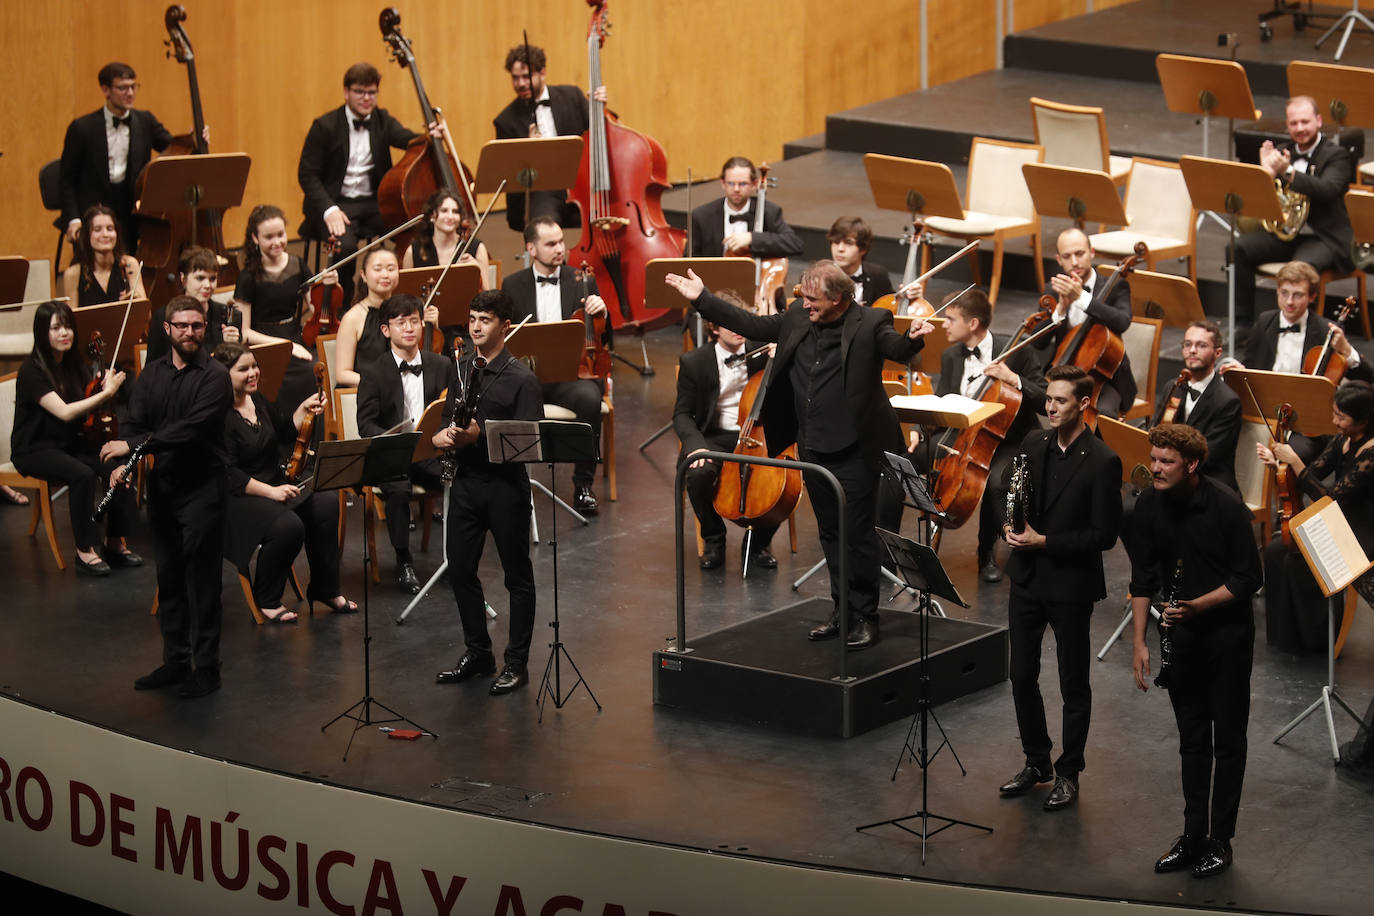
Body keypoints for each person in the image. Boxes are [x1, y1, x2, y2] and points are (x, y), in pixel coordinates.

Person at [665, 260, 933, 650]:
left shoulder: (872, 321)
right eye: (803, 297)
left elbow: (896, 346)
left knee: (857, 535)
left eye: (813, 299)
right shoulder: (796, 315)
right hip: (813, 446)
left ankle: (865, 616)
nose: (804, 304)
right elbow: (751, 324)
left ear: (839, 299)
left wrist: (915, 339)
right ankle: (842, 611)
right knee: (829, 532)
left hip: (856, 449)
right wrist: (703, 299)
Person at [1129, 423, 1262, 878]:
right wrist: (1139, 644)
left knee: (1227, 742)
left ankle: (1220, 840)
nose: (1157, 468)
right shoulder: (1149, 503)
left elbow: (1249, 578)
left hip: (1226, 637)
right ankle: (1192, 835)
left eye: (1167, 462)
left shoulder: (1225, 506)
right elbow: (1142, 577)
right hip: (1181, 638)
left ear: (1192, 465)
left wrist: (1196, 606)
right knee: (1191, 742)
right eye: (1155, 458)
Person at [998, 365, 1122, 812]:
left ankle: (1069, 773)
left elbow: (1104, 535)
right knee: (1021, 674)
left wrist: (1044, 540)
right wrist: (1010, 527)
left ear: (1084, 404)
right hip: (1028, 579)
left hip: (1070, 585)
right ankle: (1037, 761)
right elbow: (1012, 495)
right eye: (1048, 399)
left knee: (1073, 683)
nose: (1050, 407)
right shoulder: (1034, 443)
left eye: (1060, 401)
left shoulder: (1105, 461)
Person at [101, 295, 233, 698]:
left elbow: (190, 430)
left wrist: (133, 447)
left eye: (196, 326)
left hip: (204, 487)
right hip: (164, 487)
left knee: (203, 581)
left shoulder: (215, 377)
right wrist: (125, 459)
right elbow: (134, 422)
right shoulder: (152, 373)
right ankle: (176, 661)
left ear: (204, 327)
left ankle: (207, 667)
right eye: (181, 326)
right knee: (170, 577)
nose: (189, 332)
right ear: (167, 329)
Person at [434, 289, 544, 695]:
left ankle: (517, 662)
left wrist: (480, 437)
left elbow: (529, 445)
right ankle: (479, 652)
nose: (476, 327)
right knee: (460, 569)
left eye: (485, 320)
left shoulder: (523, 379)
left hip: (504, 488)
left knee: (518, 577)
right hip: (466, 483)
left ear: (505, 326)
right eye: (473, 318)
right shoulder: (460, 369)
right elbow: (448, 415)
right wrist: (444, 433)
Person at [909, 288, 1046, 583]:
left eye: (950, 319)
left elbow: (1046, 399)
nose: (943, 324)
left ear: (972, 324)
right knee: (904, 463)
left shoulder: (1018, 350)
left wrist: (1014, 379)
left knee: (996, 481)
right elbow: (944, 399)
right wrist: (918, 428)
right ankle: (901, 550)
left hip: (1010, 437)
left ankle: (986, 553)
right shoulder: (950, 356)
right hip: (965, 438)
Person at [212, 342, 353, 623]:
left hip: (273, 484)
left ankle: (326, 588)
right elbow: (229, 474)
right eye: (244, 369)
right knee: (288, 526)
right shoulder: (219, 416)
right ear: (223, 375)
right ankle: (266, 598)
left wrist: (303, 409)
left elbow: (284, 430)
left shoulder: (258, 400)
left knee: (325, 503)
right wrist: (272, 493)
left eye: (254, 366)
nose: (253, 373)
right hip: (239, 496)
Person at [10, 300, 138, 574]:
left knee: (119, 463)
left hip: (68, 444)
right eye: (56, 328)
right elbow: (66, 413)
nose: (64, 333)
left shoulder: (73, 364)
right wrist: (106, 393)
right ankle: (84, 550)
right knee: (82, 474)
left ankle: (114, 542)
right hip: (34, 449)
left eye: (68, 326)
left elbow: (86, 402)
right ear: (42, 332)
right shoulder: (31, 371)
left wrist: (100, 387)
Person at [298, 63, 439, 297]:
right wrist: (328, 209)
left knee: (414, 227)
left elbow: (408, 140)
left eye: (372, 92)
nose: (366, 98)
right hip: (336, 204)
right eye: (360, 92)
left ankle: (401, 295)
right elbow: (307, 174)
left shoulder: (382, 120)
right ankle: (341, 308)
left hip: (374, 203)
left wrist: (429, 137)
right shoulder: (324, 126)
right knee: (345, 248)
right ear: (346, 92)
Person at [501, 216, 610, 512]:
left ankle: (583, 485)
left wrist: (603, 313)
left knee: (590, 398)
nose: (560, 248)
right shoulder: (512, 284)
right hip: (527, 377)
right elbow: (504, 336)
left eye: (561, 241)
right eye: (551, 244)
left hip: (569, 376)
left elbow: (603, 338)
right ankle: (511, 483)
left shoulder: (583, 279)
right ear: (531, 249)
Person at [1257, 380, 1374, 654]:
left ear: (1363, 419)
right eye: (1334, 413)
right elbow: (1313, 474)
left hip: (1361, 531)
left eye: (1341, 417)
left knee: (1299, 563)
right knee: (1276, 551)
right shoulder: (1343, 439)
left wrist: (1295, 463)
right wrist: (1281, 467)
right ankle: (1285, 637)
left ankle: (1317, 642)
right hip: (1337, 520)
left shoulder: (1371, 454)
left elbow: (1329, 499)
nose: (1334, 421)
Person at [356, 294, 457, 593]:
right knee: (398, 491)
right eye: (401, 323)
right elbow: (366, 425)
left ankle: (455, 559)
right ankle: (404, 562)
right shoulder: (373, 371)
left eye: (414, 321)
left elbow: (450, 410)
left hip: (429, 452)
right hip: (393, 455)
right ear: (386, 330)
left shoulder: (441, 364)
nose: (409, 328)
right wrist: (399, 439)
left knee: (459, 482)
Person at [673, 294, 777, 571]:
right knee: (697, 473)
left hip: (758, 433)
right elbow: (682, 414)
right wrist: (695, 446)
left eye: (739, 320)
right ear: (714, 328)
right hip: (714, 435)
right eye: (727, 322)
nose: (737, 327)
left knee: (782, 479)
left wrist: (781, 359)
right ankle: (714, 538)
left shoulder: (763, 352)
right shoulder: (694, 361)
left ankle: (757, 544)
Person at [1231, 96, 1355, 324]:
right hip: (1286, 235)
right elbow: (1259, 202)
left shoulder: (1336, 155)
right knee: (1239, 248)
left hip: (1323, 237)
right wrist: (1265, 174)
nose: (1299, 128)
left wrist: (1287, 172)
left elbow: (1327, 189)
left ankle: (1302, 332)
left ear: (1318, 121)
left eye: (1305, 122)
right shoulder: (1281, 152)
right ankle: (1243, 325)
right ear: (1287, 125)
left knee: (1299, 270)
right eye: (1294, 123)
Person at [1240, 260, 1369, 465]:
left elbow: (1367, 378)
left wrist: (1346, 350)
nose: (1289, 301)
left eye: (1298, 295)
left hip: (1306, 426)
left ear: (1312, 297)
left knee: (1289, 457)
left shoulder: (1326, 332)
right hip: (1265, 415)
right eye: (1284, 293)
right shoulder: (1265, 321)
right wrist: (1239, 372)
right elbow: (1249, 366)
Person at [59, 62, 179, 250]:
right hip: (93, 212)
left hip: (132, 211)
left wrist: (196, 139)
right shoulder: (82, 128)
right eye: (123, 88)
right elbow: (67, 180)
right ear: (105, 90)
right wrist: (73, 219)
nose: (130, 93)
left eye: (133, 87)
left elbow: (176, 149)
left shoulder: (145, 121)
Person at [492, 43, 600, 232]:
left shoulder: (572, 96)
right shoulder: (505, 121)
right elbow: (509, 176)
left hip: (582, 187)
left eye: (526, 76)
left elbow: (601, 136)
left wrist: (601, 109)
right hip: (540, 194)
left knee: (612, 213)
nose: (521, 84)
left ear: (543, 72)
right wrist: (529, 151)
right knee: (544, 228)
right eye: (515, 78)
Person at [1033, 228, 1135, 420]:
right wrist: (1059, 311)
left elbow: (1122, 322)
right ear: (1059, 260)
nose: (1074, 262)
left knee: (1103, 415)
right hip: (1063, 374)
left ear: (1092, 252)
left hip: (1106, 379)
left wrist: (1082, 298)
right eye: (1067, 256)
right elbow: (1038, 343)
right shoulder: (1054, 289)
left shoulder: (1116, 286)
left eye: (1080, 254)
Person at [1162, 320, 1242, 493]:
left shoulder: (1228, 401)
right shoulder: (1173, 386)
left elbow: (1209, 455)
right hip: (1171, 474)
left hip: (1208, 483)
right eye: (1188, 344)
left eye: (1201, 345)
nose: (1192, 350)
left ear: (1217, 353)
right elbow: (1157, 430)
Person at [334, 247, 425, 389]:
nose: (385, 275)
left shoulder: (407, 313)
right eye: (377, 269)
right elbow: (342, 373)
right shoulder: (352, 318)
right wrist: (380, 384)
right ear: (363, 275)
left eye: (391, 269)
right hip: (365, 394)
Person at [685, 157, 804, 261]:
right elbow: (689, 259)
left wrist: (752, 238)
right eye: (731, 183)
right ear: (722, 183)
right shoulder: (701, 216)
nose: (736, 189)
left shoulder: (769, 212)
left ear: (754, 184)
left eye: (742, 184)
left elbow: (795, 244)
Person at [146, 247, 242, 362]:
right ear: (183, 279)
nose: (207, 285)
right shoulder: (163, 317)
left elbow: (236, 366)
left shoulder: (229, 315)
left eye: (212, 279)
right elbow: (153, 368)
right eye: (200, 278)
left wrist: (233, 347)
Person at [60, 205, 147, 305]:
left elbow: (146, 315)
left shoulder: (129, 265)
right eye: (97, 229)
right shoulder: (73, 273)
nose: (105, 234)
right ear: (87, 235)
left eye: (110, 229)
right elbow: (71, 318)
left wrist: (137, 300)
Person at [827, 216, 894, 307]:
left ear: (863, 249)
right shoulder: (816, 277)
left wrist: (911, 298)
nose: (840, 249)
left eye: (848, 243)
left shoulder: (878, 275)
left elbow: (892, 307)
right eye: (836, 242)